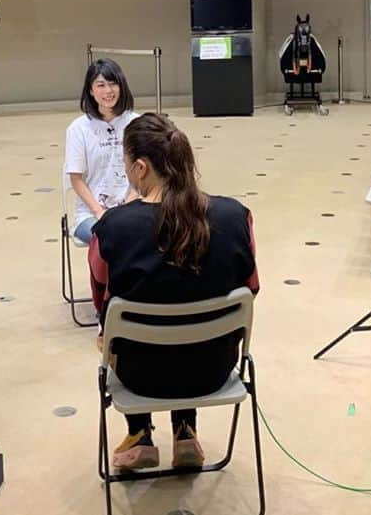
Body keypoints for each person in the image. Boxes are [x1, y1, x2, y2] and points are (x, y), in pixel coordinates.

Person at [88, 113, 260, 470]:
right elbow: (252, 287)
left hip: (141, 376)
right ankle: (185, 430)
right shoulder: (235, 216)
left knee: (115, 331)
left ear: (139, 168)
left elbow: (102, 298)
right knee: (190, 310)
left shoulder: (112, 228)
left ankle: (140, 434)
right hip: (214, 368)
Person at [65, 59, 139, 244]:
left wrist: (127, 209)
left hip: (133, 207)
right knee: (112, 238)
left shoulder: (136, 123)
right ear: (90, 90)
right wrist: (100, 213)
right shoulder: (78, 128)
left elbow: (143, 172)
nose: (108, 90)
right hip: (91, 213)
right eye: (101, 85)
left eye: (113, 83)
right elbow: (76, 178)